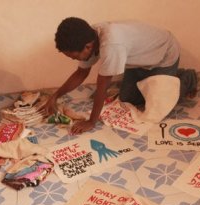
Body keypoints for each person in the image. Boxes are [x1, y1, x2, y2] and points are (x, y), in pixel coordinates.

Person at [42, 17, 180, 134]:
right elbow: (81, 73)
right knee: (127, 98)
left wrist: (91, 121)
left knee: (157, 108)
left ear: (88, 47)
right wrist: (55, 96)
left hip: (163, 55)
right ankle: (151, 80)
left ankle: (185, 78)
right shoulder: (90, 36)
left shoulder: (111, 45)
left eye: (74, 56)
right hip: (139, 62)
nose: (73, 59)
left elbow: (103, 87)